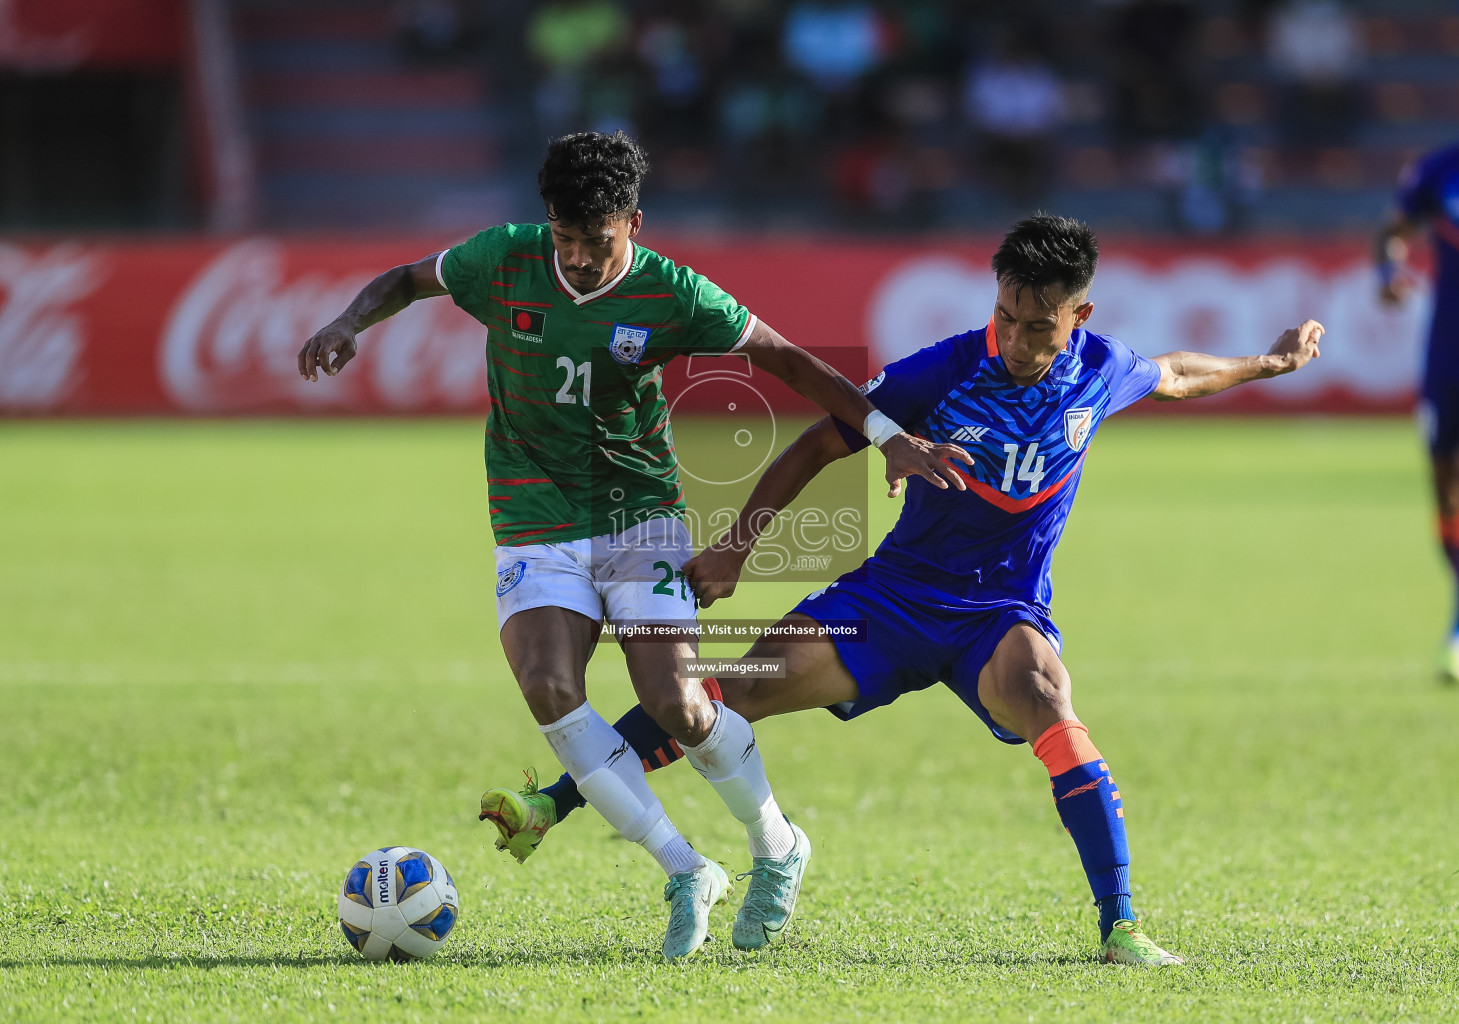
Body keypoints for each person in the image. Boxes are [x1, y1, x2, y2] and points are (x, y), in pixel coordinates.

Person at [483, 214, 1325, 963]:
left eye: (1038, 327)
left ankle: (1120, 927)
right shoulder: (942, 371)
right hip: (886, 605)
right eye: (1005, 316)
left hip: (997, 616)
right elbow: (818, 446)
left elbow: (1176, 373)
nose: (1017, 340)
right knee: (725, 691)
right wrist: (738, 550)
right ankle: (556, 803)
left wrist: (1266, 363)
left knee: (1052, 706)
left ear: (1079, 317)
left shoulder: (1101, 370)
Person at [296, 131, 966, 960]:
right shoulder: (499, 260)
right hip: (531, 516)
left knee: (678, 708)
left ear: (634, 224)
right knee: (548, 687)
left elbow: (787, 360)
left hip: (639, 517)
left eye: (597, 241)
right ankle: (685, 869)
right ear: (546, 222)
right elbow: (404, 279)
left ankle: (778, 843)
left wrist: (885, 432)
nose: (577, 258)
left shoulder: (672, 293)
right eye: (565, 239)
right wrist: (345, 321)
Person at [1375, 141, 1459, 681]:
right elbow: (1395, 233)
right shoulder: (1438, 169)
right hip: (1447, 353)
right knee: (1445, 482)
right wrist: (1389, 273)